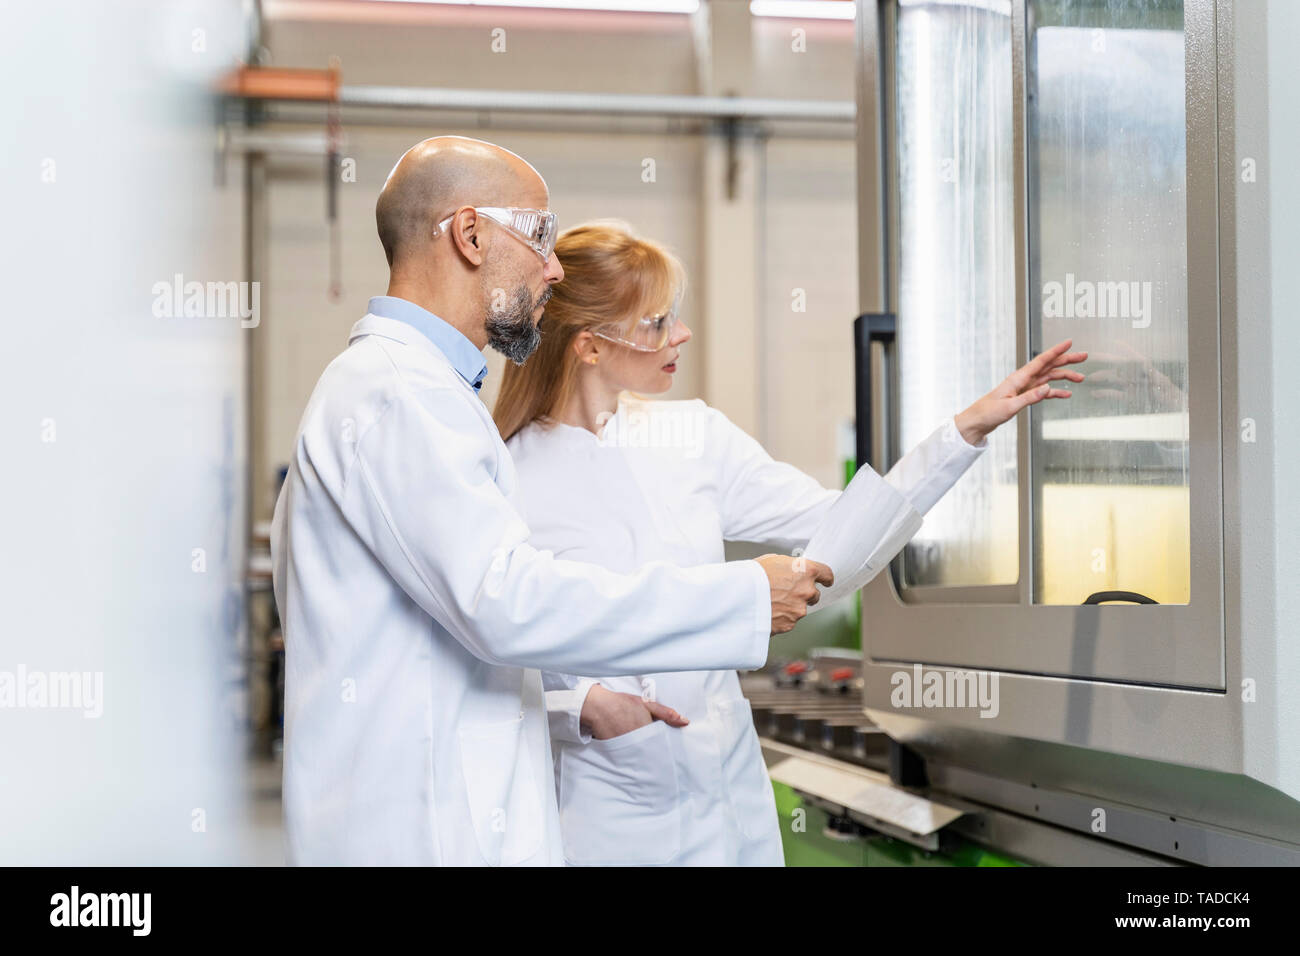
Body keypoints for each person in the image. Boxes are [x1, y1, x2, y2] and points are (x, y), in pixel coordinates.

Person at [269, 138, 831, 866]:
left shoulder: (424, 394)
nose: (554, 267)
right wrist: (742, 597)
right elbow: (507, 601)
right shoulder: (395, 395)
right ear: (470, 235)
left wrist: (578, 702)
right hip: (423, 834)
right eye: (537, 235)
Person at [494, 221, 1086, 866]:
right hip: (603, 804)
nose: (681, 336)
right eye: (657, 322)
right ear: (589, 347)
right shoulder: (507, 474)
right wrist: (579, 705)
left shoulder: (694, 436)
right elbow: (486, 656)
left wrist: (962, 433)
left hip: (726, 785)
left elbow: (834, 535)